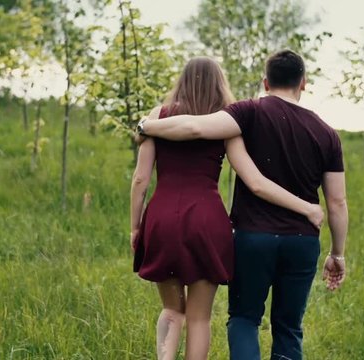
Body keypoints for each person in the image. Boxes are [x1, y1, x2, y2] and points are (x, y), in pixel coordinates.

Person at [137, 50, 349, 360]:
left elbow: (194, 130)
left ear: (265, 82)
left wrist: (146, 125)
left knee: (244, 320)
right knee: (288, 328)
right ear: (303, 83)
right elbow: (338, 201)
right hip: (301, 240)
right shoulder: (327, 133)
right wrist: (337, 252)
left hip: (251, 238)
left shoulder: (248, 113)